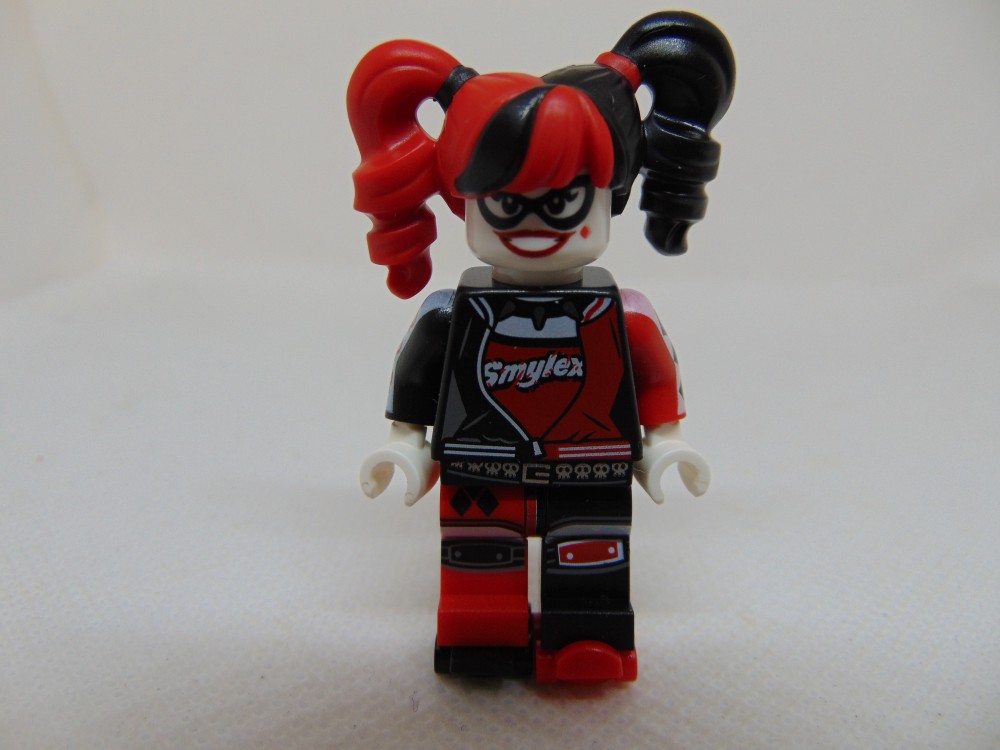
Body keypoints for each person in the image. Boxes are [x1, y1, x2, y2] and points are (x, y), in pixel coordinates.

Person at [348, 11, 734, 682]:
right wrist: (405, 445)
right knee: (478, 562)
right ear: (464, 202)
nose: (534, 223)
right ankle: (482, 635)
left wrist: (665, 444)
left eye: (564, 202)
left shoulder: (619, 314)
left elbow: (650, 380)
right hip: (480, 471)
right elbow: (417, 385)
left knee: (591, 559)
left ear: (609, 199)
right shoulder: (453, 314)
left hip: (591, 470)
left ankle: (586, 637)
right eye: (505, 204)